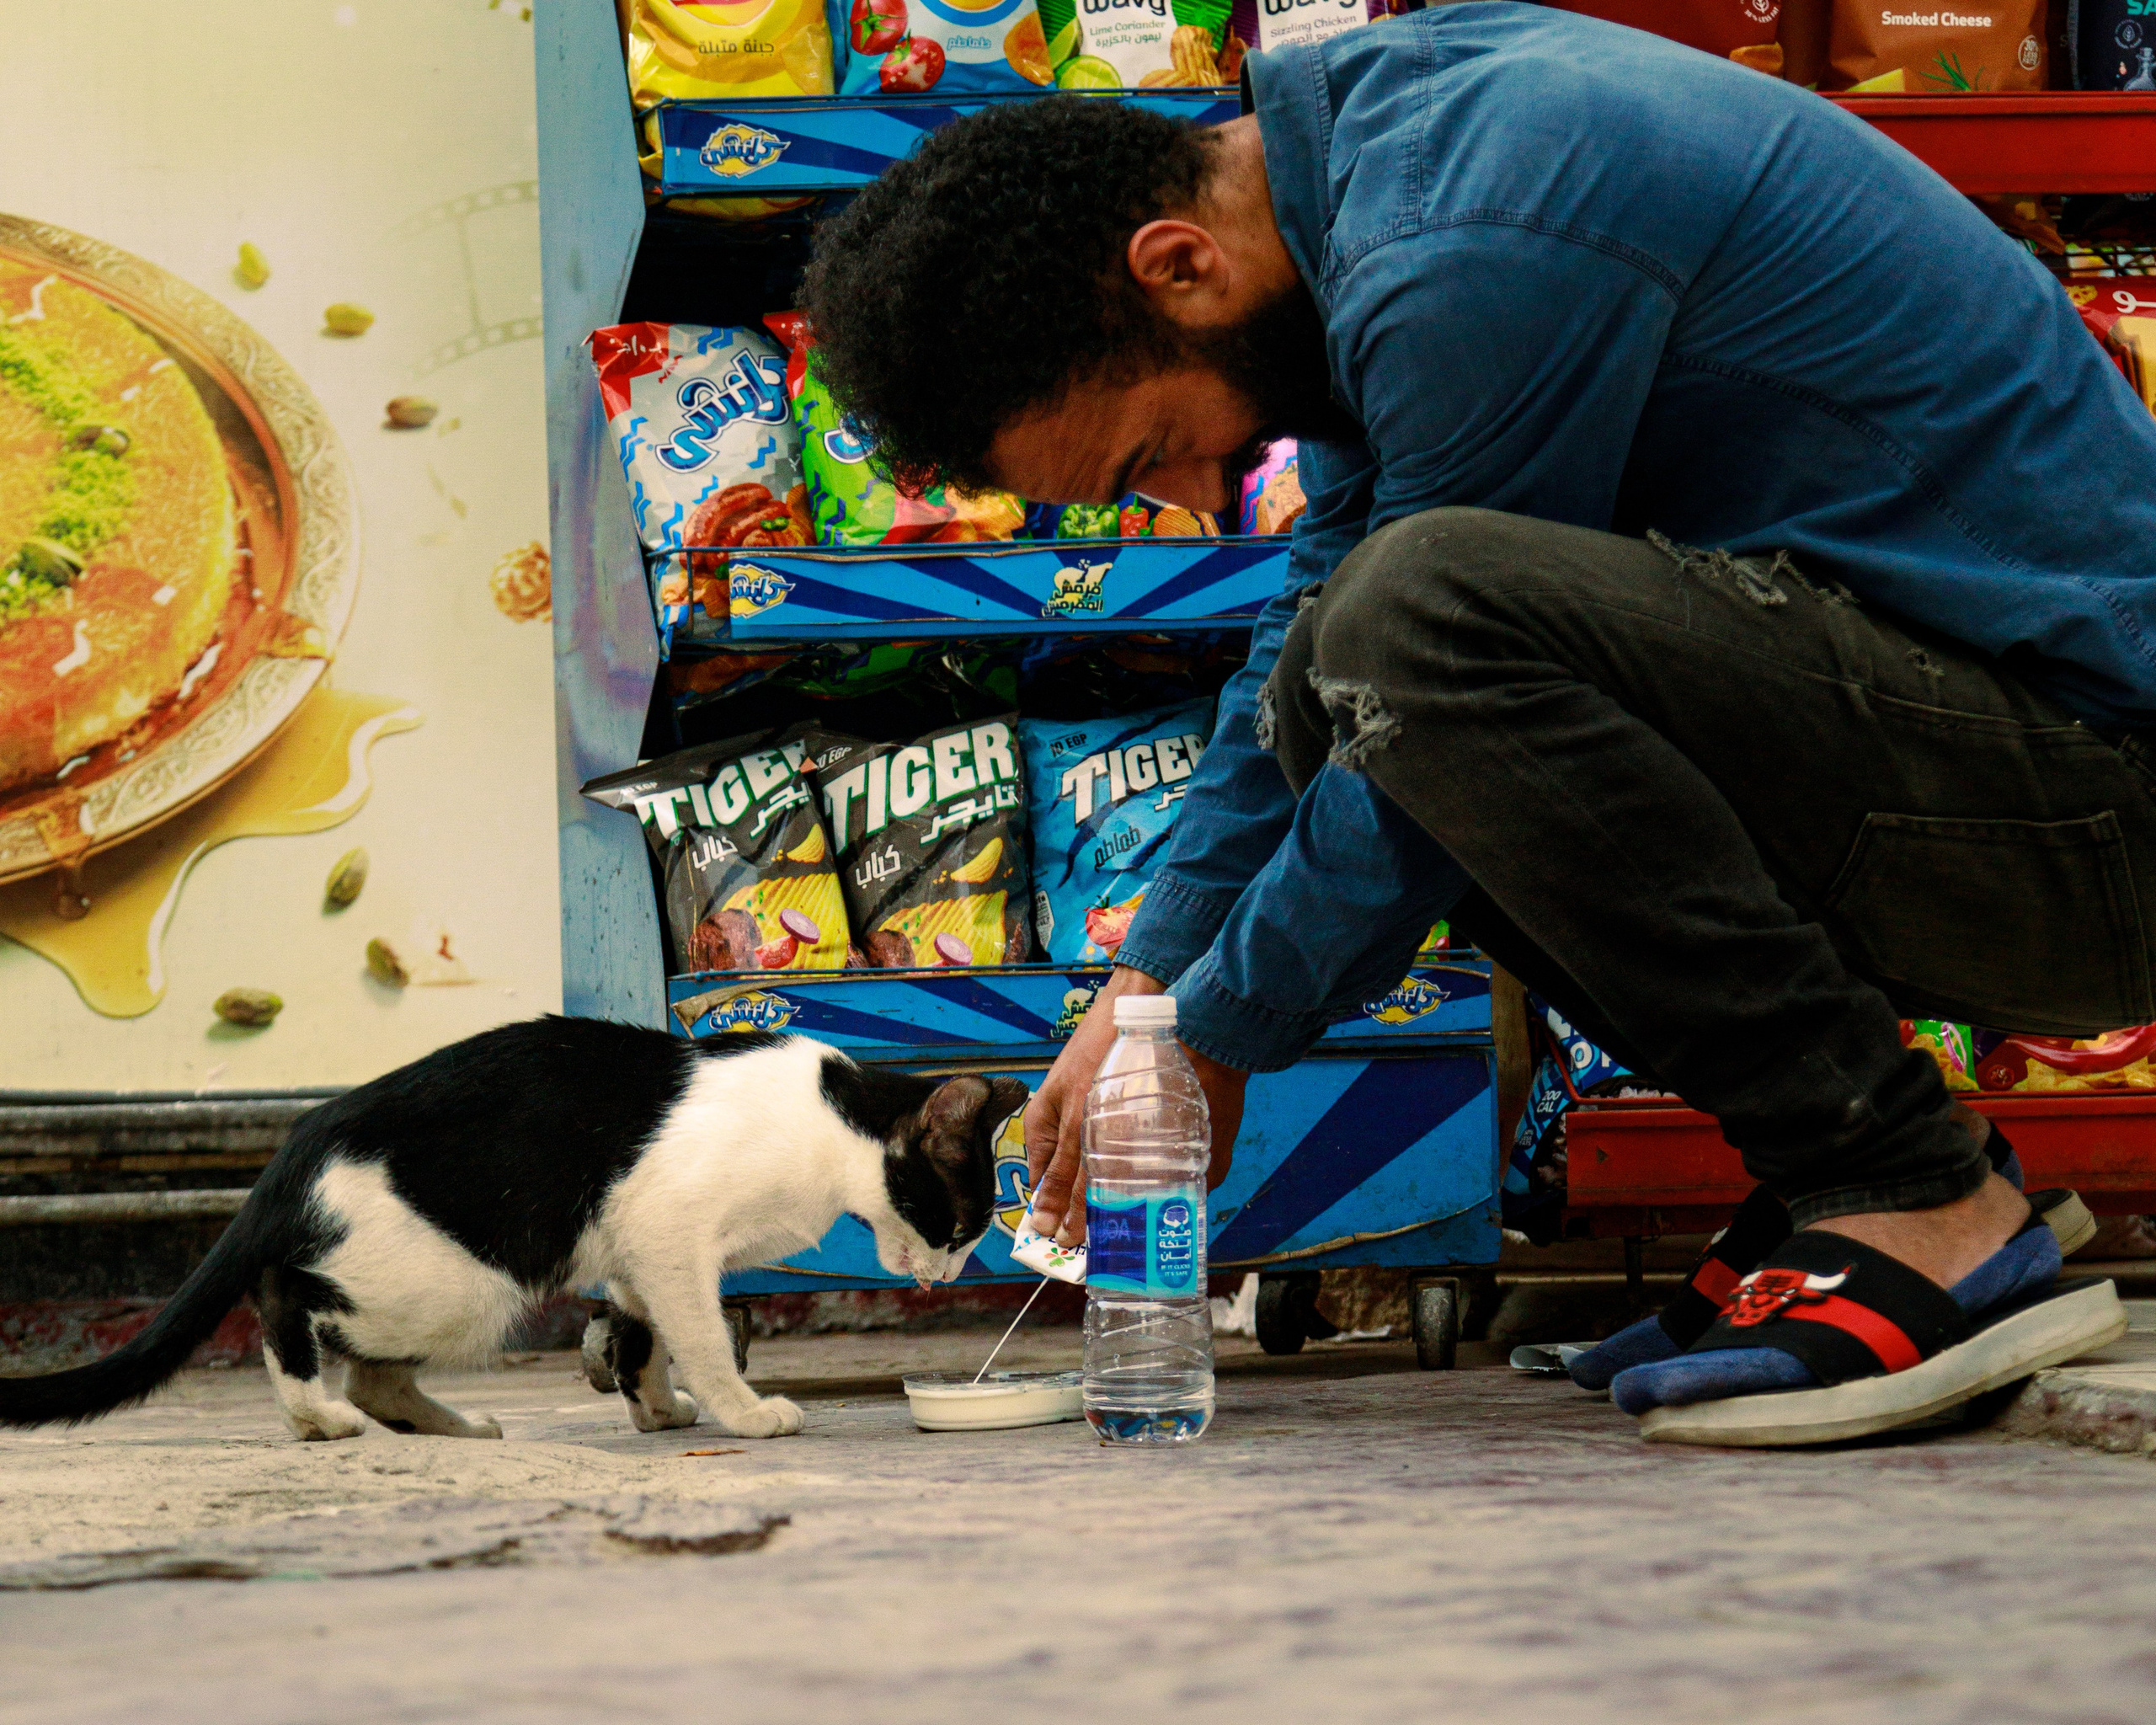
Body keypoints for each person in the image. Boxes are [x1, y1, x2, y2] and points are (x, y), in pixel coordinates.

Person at [798, 3, 2156, 1442]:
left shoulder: (1475, 233)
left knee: (1415, 622)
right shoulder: (1365, 184)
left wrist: (1221, 1036)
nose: (1203, 501)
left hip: (2095, 826)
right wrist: (1151, 986)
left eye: (1163, 451)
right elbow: (1315, 671)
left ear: (1179, 267)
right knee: (1357, 651)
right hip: (1976, 787)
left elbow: (1416, 679)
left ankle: (1915, 1194)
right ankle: (1853, 1172)